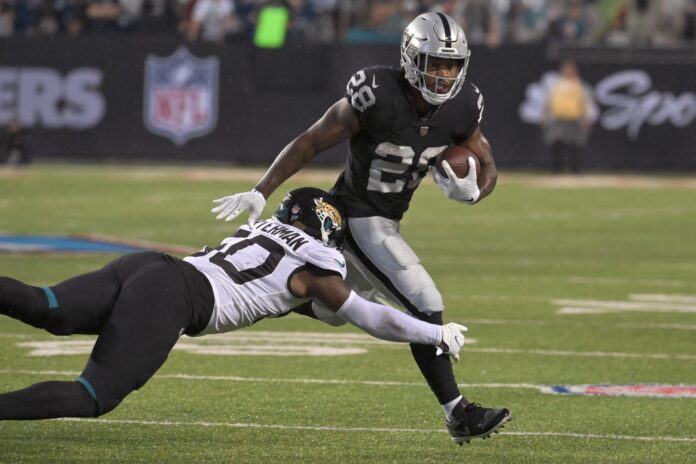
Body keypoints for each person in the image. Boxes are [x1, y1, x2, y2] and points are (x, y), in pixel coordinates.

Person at [211, 12, 511, 444]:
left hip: (386, 219)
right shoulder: (378, 93)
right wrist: (262, 189)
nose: (444, 74)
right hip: (356, 214)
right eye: (434, 62)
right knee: (426, 300)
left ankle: (292, 291)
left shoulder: (462, 106)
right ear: (410, 59)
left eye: (451, 65)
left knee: (336, 312)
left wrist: (476, 193)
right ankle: (458, 412)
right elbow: (312, 139)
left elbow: (487, 160)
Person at [0, 187, 469, 423]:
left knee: (47, 306)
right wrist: (435, 332)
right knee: (93, 396)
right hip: (174, 298)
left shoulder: (262, 229)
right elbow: (370, 317)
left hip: (146, 267)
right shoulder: (315, 267)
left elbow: (302, 302)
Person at [542, 60, 594, 173]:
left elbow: (588, 103)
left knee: (574, 146)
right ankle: (556, 169)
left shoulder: (580, 86)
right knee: (557, 144)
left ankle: (574, 170)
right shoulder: (556, 85)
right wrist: (544, 116)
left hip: (574, 119)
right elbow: (548, 102)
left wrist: (587, 118)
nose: (568, 73)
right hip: (558, 119)